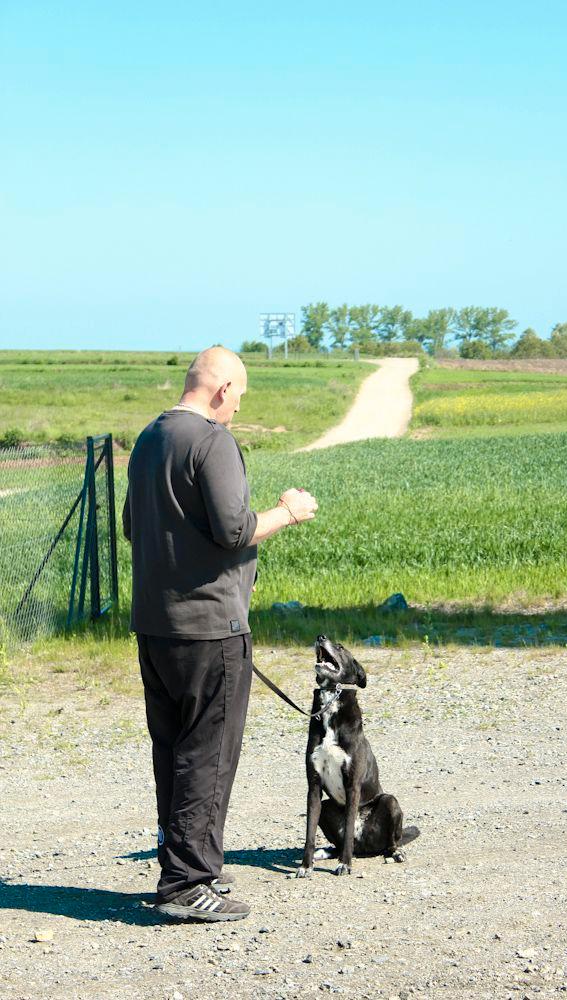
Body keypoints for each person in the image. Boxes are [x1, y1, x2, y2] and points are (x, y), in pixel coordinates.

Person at [122, 346, 318, 921]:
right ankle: (188, 885)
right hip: (211, 627)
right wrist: (289, 511)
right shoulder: (212, 442)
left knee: (174, 749)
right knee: (207, 754)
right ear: (223, 390)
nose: (237, 409)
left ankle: (184, 860)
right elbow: (236, 529)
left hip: (156, 627)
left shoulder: (149, 438)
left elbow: (134, 526)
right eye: (240, 397)